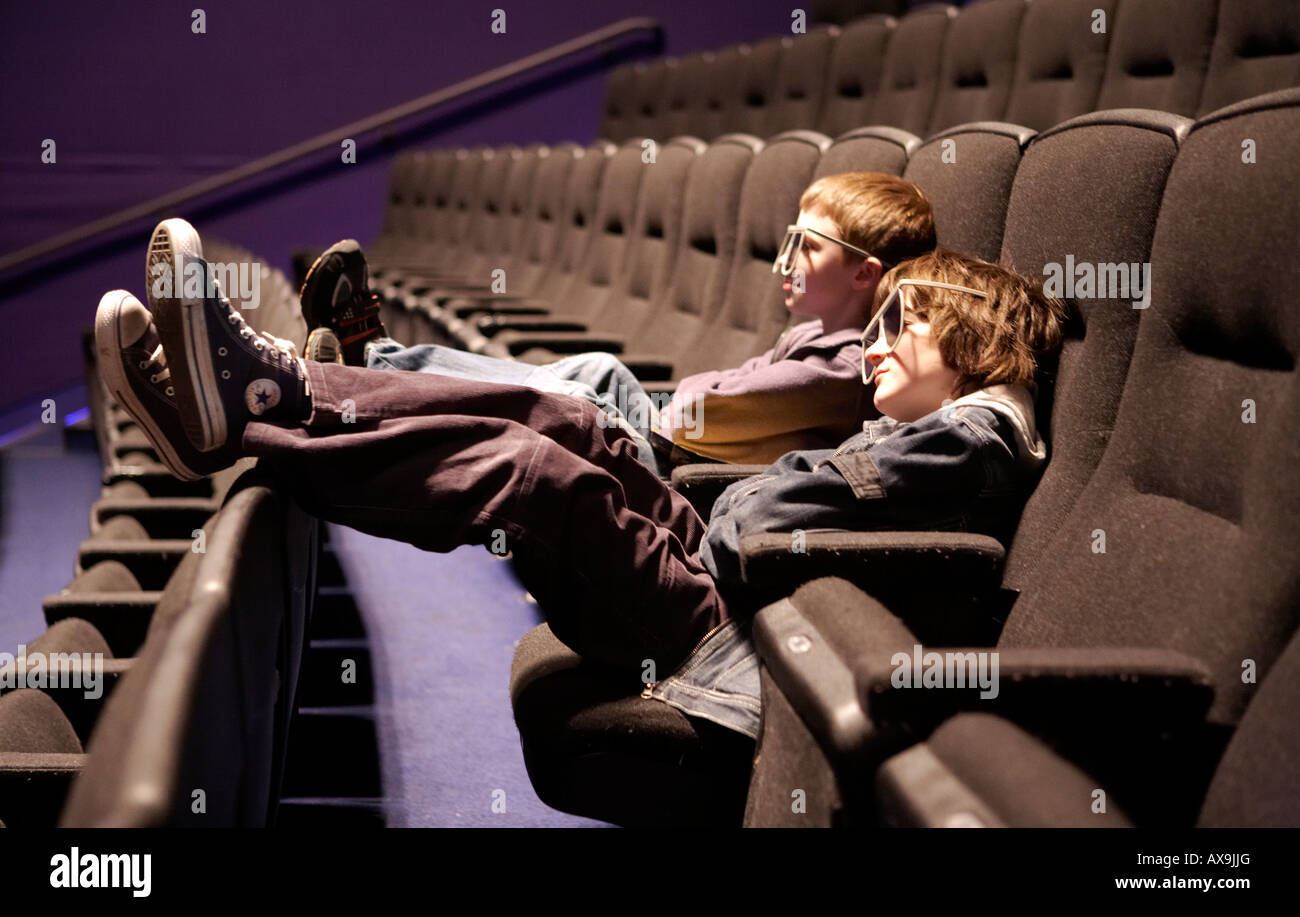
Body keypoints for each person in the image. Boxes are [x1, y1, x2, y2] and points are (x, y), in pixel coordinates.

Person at [98, 219, 1063, 739]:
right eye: (878, 322)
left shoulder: (970, 439)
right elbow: (753, 508)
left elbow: (747, 523)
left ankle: (254, 414)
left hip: (729, 646)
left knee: (535, 476)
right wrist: (738, 494)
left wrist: (744, 492)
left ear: (976, 338)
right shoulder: (958, 430)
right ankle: (272, 394)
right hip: (724, 593)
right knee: (568, 415)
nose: (873, 348)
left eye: (902, 324)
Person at [295, 171, 938, 474]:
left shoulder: (845, 365)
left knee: (569, 401)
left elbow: (707, 411)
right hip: (674, 440)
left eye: (811, 248)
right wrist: (688, 398)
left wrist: (687, 398)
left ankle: (370, 368)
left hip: (685, 482)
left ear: (864, 274)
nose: (788, 262)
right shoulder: (810, 338)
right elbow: (718, 396)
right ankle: (378, 359)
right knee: (596, 370)